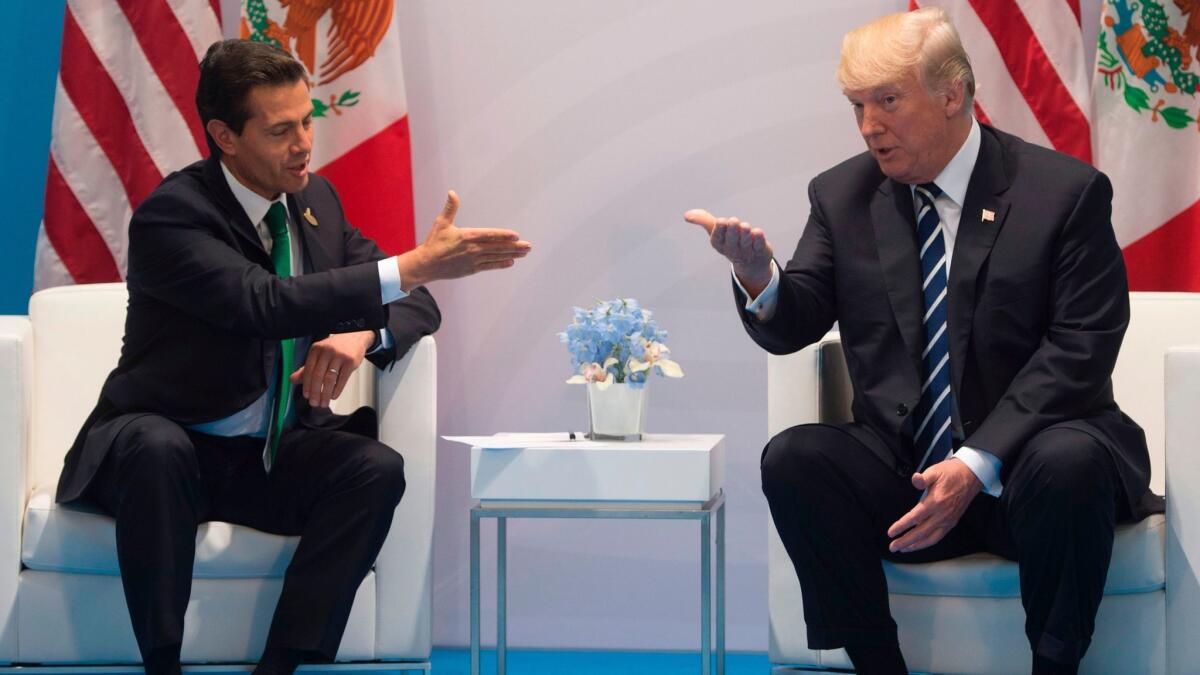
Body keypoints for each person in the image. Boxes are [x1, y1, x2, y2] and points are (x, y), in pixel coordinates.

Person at [685, 8, 1160, 674]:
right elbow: (797, 320)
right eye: (857, 105)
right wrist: (758, 275)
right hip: (904, 469)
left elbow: (1083, 345)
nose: (869, 125)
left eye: (887, 101)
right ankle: (878, 665)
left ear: (952, 94)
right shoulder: (842, 195)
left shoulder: (1063, 192)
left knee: (1070, 460)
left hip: (1027, 462)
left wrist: (975, 463)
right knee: (794, 457)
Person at [55, 39, 531, 675]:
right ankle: (162, 664)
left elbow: (416, 306)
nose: (304, 143)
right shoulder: (174, 215)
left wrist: (362, 335)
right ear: (224, 135)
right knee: (158, 448)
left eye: (307, 121)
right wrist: (412, 265)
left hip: (266, 453)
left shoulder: (316, 203)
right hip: (163, 446)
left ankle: (280, 667)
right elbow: (265, 304)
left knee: (374, 468)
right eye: (281, 130)